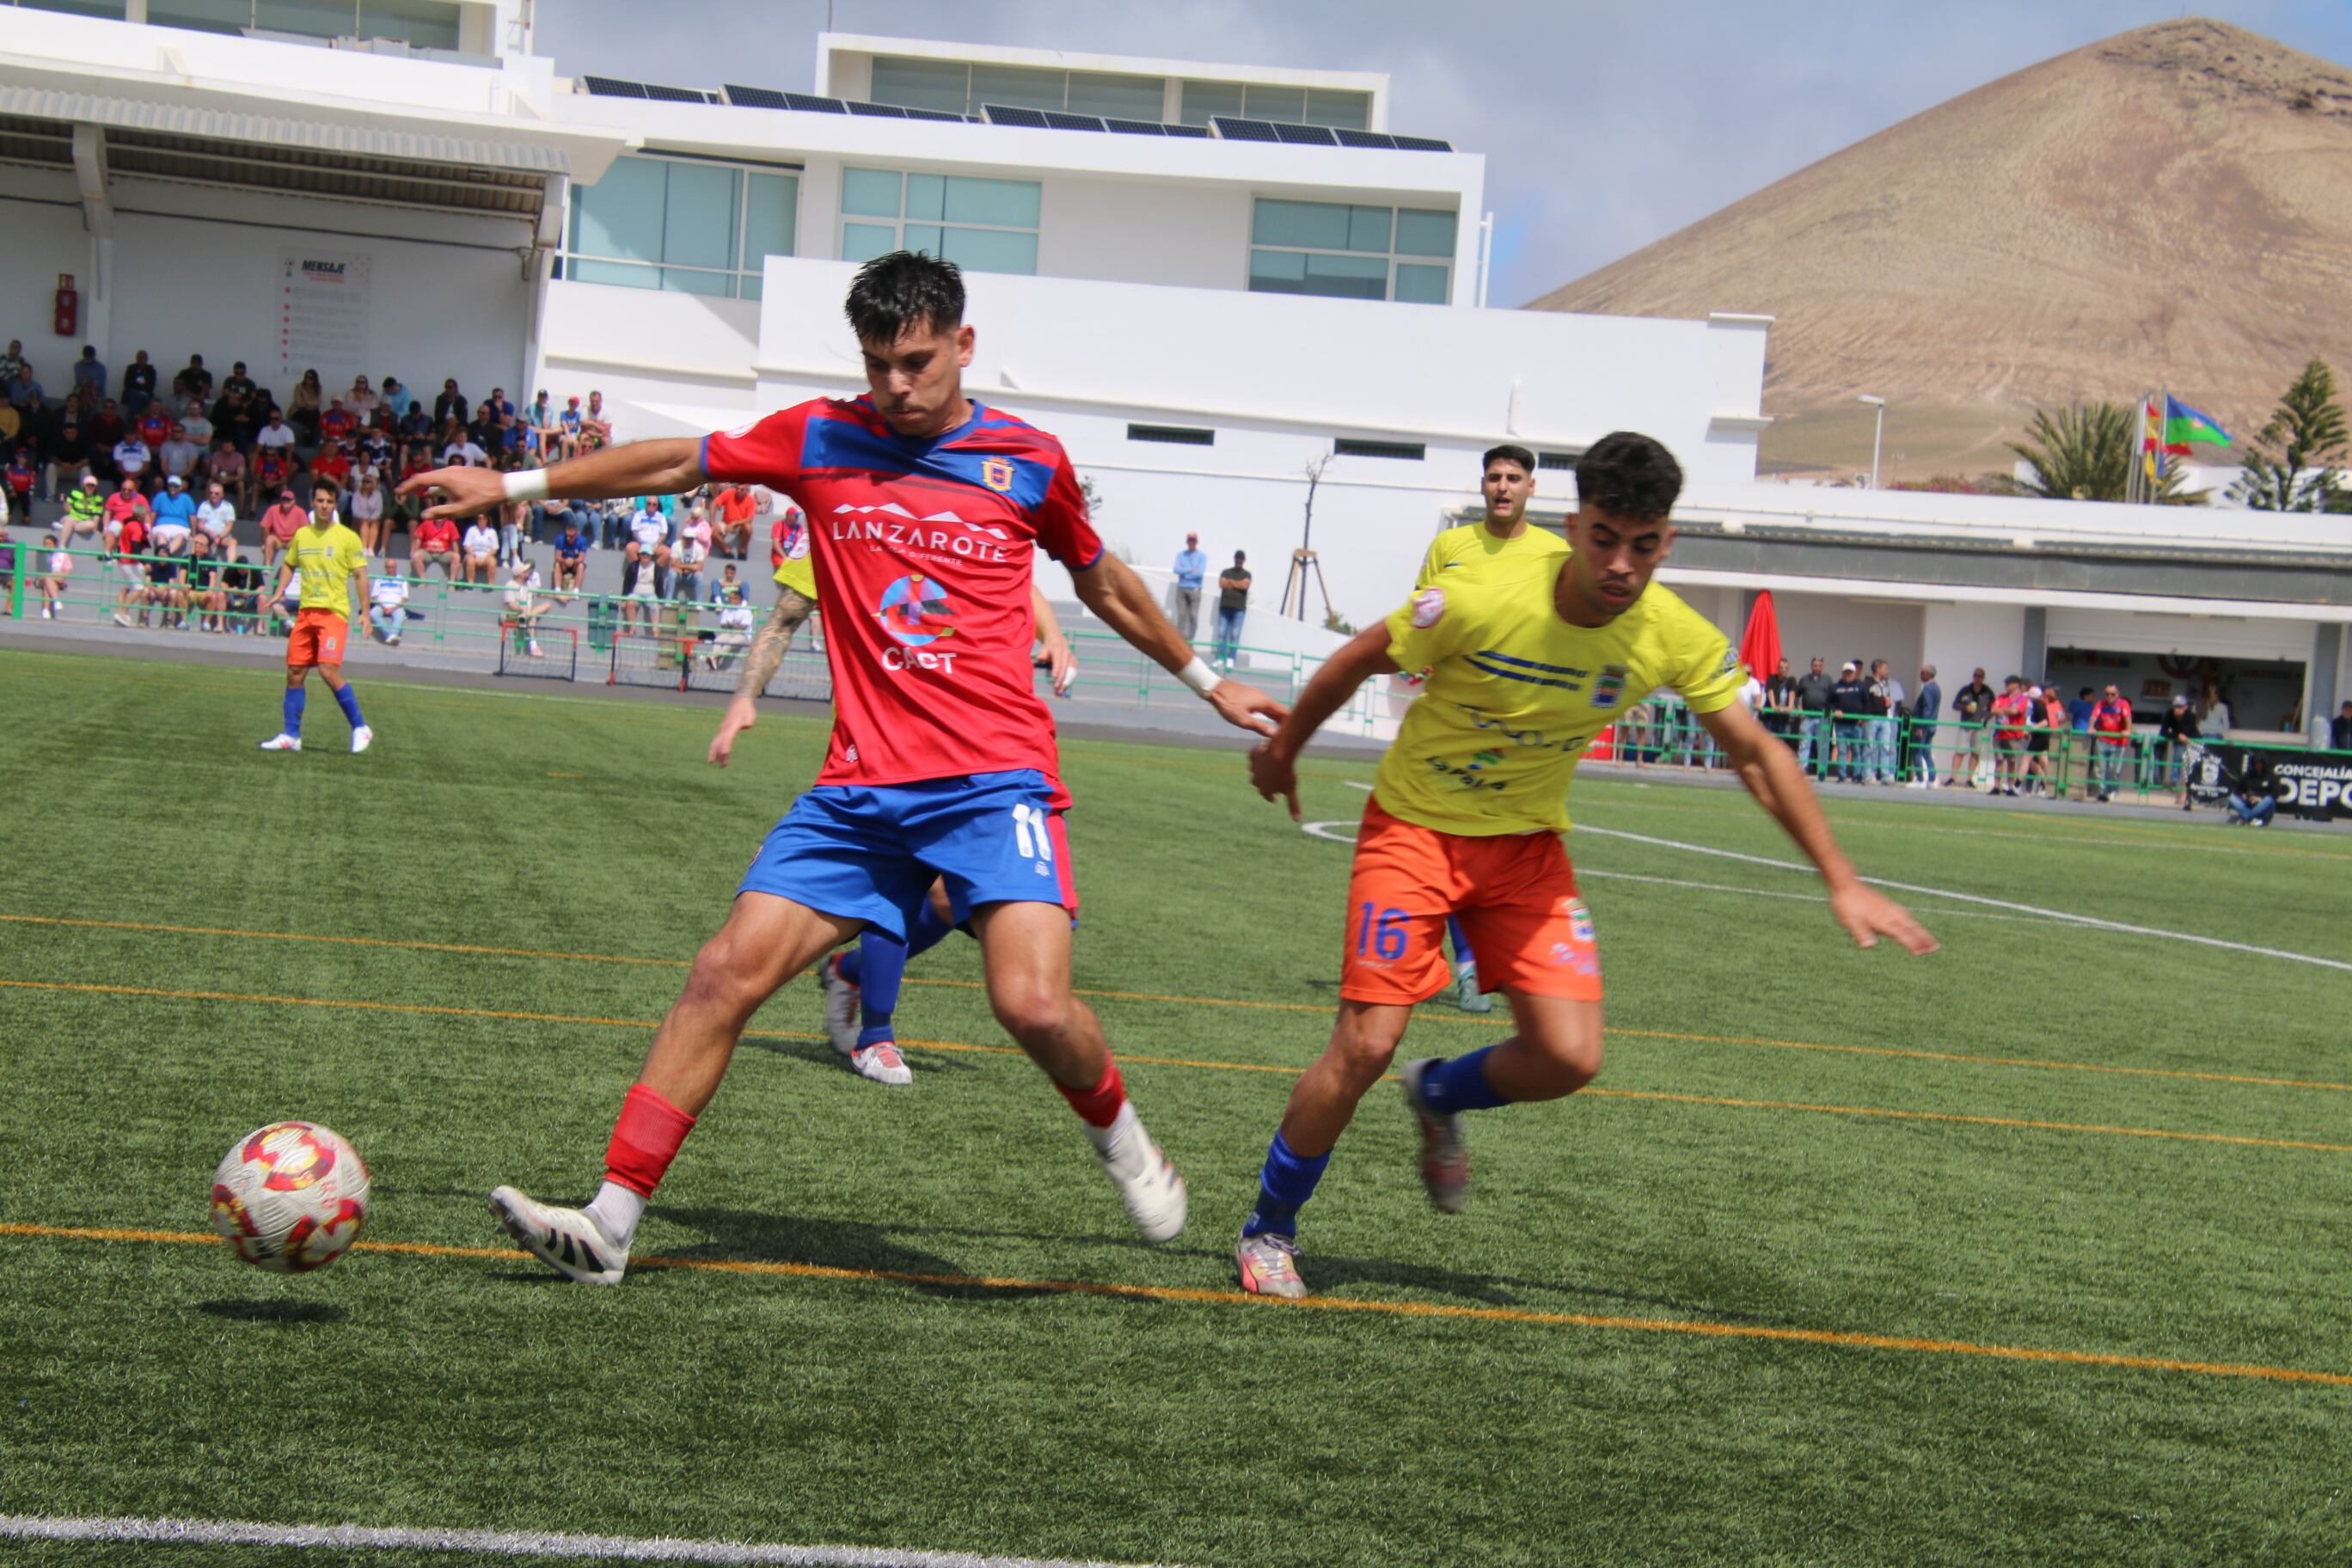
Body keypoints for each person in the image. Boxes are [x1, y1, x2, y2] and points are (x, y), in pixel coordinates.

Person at [404, 249, 1285, 1284]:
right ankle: (610, 1224)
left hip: (994, 781)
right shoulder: (821, 436)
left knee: (1034, 1007)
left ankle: (1122, 1137)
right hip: (859, 793)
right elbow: (677, 463)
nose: (896, 386)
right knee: (722, 974)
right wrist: (511, 483)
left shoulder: (1028, 460)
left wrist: (1208, 682)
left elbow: (1106, 584)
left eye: (917, 362)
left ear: (963, 344)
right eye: (878, 365)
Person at [1231, 432, 1934, 1300]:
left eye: (1643, 545)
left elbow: (1755, 754)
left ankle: (1439, 1093)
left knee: (1569, 1057)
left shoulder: (1668, 633)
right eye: (1604, 538)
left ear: (1667, 543)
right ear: (1575, 526)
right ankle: (1270, 1228)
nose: (1620, 565)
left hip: (1527, 850)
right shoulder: (1480, 593)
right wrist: (1285, 750)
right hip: (1414, 831)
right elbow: (1355, 659)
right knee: (1367, 1041)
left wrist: (1841, 877)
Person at [259, 479, 372, 754]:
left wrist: (366, 612)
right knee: (295, 672)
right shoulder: (302, 535)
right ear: (312, 503)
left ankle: (360, 727)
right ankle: (291, 736)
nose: (324, 506)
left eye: (329, 502)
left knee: (327, 670)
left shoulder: (348, 537)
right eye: (320, 500)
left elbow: (360, 575)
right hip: (306, 612)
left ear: (335, 505)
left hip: (333, 613)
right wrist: (280, 590)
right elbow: (289, 563)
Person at [2090, 683, 2135, 802]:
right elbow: (2094, 716)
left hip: (2118, 742)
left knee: (2114, 769)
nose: (2110, 696)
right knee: (2100, 768)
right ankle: (2102, 793)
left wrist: (2128, 730)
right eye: (2107, 694)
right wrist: (2091, 727)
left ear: (2117, 695)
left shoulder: (2123, 704)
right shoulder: (2100, 703)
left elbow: (2128, 718)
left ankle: (2112, 791)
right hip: (2102, 739)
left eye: (2113, 694)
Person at [1792, 655, 1835, 775]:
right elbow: (1796, 696)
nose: (1817, 668)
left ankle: (1822, 770)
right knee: (1804, 744)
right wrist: (1800, 710)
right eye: (1815, 665)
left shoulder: (1828, 679)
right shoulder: (1804, 679)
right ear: (1811, 666)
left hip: (1823, 717)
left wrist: (1829, 712)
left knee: (1822, 745)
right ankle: (1802, 770)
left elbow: (1833, 697)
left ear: (1823, 667)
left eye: (1819, 666)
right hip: (1808, 717)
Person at [1214, 549, 1250, 667]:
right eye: (1237, 558)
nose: (1239, 560)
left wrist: (1230, 582)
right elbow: (1221, 584)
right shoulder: (1226, 571)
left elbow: (1244, 585)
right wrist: (1237, 583)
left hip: (1239, 609)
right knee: (1221, 633)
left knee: (1235, 634)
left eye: (1241, 558)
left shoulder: (1247, 574)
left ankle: (1231, 658)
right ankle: (1220, 658)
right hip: (1225, 607)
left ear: (1243, 560)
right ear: (1234, 559)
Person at [1908, 665, 1940, 787]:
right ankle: (1932, 778)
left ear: (1929, 674)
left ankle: (1920, 779)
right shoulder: (1936, 688)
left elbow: (1927, 708)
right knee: (1926, 752)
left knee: (1917, 751)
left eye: (1923, 673)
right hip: (1931, 725)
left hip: (1923, 725)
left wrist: (1921, 727)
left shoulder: (1928, 688)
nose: (1920, 675)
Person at [2226, 750, 2279, 827]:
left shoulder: (2272, 776)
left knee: (2269, 799)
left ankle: (2246, 818)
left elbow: (2276, 793)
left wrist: (2260, 798)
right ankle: (2250, 818)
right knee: (2232, 798)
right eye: (2256, 763)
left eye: (2260, 763)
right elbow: (2238, 789)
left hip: (2263, 803)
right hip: (2248, 803)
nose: (2258, 765)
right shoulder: (2248, 775)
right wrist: (2243, 795)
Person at [1171, 531, 1207, 640]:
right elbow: (1176, 569)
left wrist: (1184, 573)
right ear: (1187, 542)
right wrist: (1191, 569)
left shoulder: (1202, 556)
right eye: (1190, 540)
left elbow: (1199, 573)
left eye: (1193, 540)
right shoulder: (1181, 555)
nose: (1191, 542)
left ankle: (1190, 642)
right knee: (1181, 617)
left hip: (1195, 589)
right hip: (1182, 588)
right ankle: (1180, 642)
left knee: (1193, 617)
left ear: (1196, 542)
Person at [259, 486, 307, 568]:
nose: (286, 502)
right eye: (284, 499)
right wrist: (265, 543)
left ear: (294, 501)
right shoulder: (273, 509)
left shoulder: (300, 512)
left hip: (292, 540)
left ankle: (296, 568)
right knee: (269, 540)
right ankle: (267, 567)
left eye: (288, 500)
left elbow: (305, 530)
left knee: (299, 541)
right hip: (278, 540)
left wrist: (295, 539)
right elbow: (265, 527)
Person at [369, 561, 411, 645]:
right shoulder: (379, 579)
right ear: (385, 568)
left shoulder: (402, 580)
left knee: (401, 615)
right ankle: (391, 636)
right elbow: (374, 597)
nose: (390, 569)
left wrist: (393, 608)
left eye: (392, 567)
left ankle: (390, 636)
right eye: (388, 567)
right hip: (381, 605)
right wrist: (383, 607)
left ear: (396, 567)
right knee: (373, 613)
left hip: (396, 606)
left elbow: (405, 598)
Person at [34, 530, 70, 618]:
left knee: (48, 583)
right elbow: (40, 571)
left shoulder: (63, 554)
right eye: (45, 544)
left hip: (57, 579)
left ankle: (46, 610)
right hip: (42, 579)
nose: (47, 546)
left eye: (49, 544)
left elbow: (68, 570)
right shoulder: (41, 553)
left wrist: (60, 575)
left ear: (55, 544)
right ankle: (56, 600)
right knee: (47, 577)